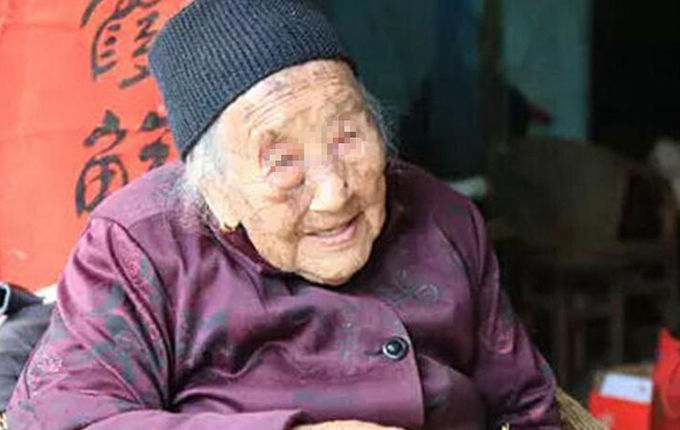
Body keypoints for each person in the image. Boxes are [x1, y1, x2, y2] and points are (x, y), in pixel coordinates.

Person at [6, 0, 562, 428]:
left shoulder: (444, 218)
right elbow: (66, 418)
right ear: (215, 191)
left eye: (348, 136)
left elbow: (527, 405)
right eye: (282, 162)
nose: (334, 194)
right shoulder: (138, 246)